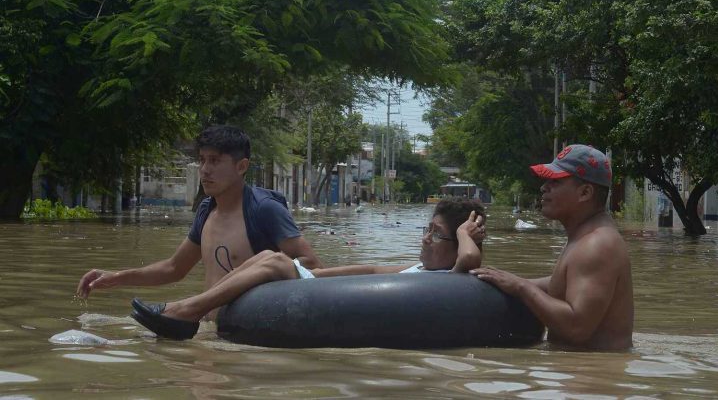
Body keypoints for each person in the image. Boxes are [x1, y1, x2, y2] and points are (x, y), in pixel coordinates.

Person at [130, 198, 486, 340]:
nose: (425, 239)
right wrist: (315, 277)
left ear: (459, 243)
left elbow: (470, 261)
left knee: (275, 260)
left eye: (437, 234)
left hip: (361, 313)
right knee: (273, 258)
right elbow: (372, 269)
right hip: (327, 295)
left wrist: (463, 234)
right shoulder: (416, 271)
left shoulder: (454, 279)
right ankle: (194, 309)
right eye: (427, 229)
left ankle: (189, 311)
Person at [76, 125, 322, 310]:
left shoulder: (264, 209)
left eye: (215, 161)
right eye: (202, 160)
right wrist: (116, 278)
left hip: (249, 334)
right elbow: (174, 268)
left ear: (242, 166)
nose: (205, 169)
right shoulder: (206, 211)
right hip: (211, 330)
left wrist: (261, 273)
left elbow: (311, 264)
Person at [471, 144, 633, 351]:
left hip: (592, 377)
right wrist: (505, 281)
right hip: (581, 372)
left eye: (555, 181)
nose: (543, 187)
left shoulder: (596, 244)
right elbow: (564, 283)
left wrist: (521, 287)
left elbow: (576, 328)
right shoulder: (587, 238)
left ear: (585, 192)